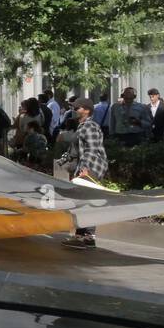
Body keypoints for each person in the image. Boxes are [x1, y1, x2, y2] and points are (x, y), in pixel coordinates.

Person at [61, 98, 110, 249]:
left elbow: (91, 148)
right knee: (82, 201)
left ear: (87, 110)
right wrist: (63, 160)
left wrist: (86, 167)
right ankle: (80, 236)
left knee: (87, 202)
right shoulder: (82, 126)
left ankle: (88, 237)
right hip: (84, 167)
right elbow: (75, 149)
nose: (75, 110)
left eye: (77, 108)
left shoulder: (90, 126)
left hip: (90, 168)